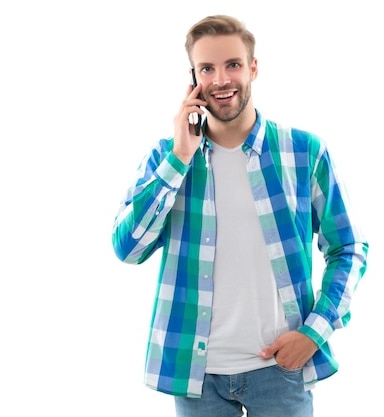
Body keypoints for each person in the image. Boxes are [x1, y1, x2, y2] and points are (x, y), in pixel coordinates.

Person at [111, 14, 369, 417]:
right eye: (207, 69)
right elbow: (127, 249)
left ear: (253, 68)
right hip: (197, 378)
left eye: (232, 65)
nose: (220, 80)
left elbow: (349, 248)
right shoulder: (168, 157)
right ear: (193, 79)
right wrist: (180, 158)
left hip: (281, 371)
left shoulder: (303, 152)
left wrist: (314, 332)